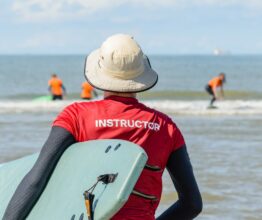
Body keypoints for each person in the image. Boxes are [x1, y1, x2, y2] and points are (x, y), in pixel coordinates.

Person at [3, 34, 202, 220]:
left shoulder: (76, 116)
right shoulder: (166, 127)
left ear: (100, 72)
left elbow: (36, 180)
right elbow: (192, 204)